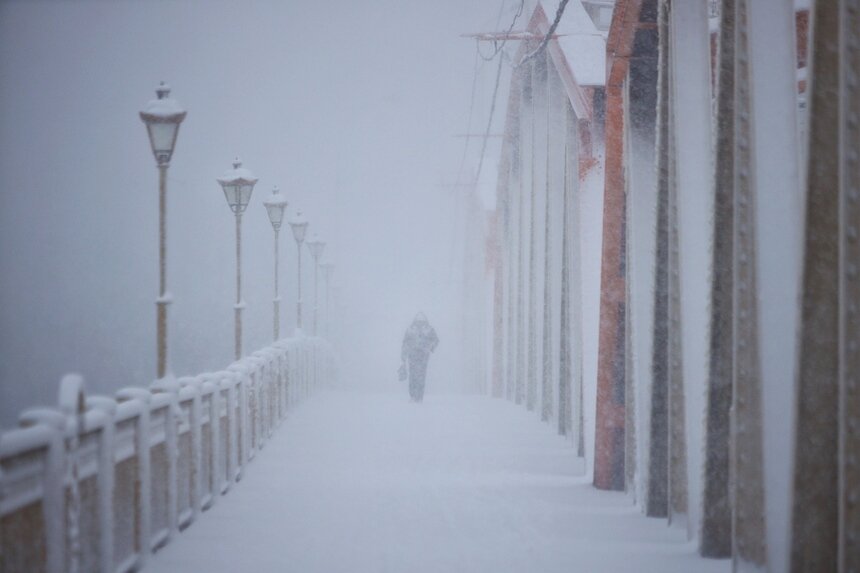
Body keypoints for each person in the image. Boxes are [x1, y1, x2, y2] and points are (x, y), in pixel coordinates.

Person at [400, 313, 439, 402]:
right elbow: (405, 343)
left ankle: (419, 397)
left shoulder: (428, 329)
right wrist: (403, 356)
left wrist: (430, 348)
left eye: (421, 321)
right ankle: (413, 396)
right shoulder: (411, 329)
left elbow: (436, 340)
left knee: (420, 376)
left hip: (423, 355)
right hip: (413, 355)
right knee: (414, 375)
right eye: (418, 321)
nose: (419, 322)